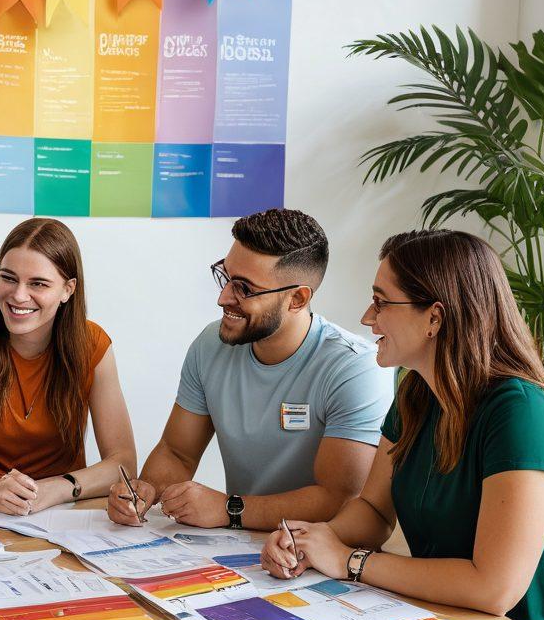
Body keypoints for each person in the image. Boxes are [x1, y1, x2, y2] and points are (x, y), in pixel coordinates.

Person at [260, 229, 544, 620]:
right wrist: (308, 538)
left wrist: (348, 562)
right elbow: (374, 510)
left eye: (382, 300)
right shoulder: (418, 393)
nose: (367, 315)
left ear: (435, 317)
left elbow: (494, 588)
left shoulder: (522, 412)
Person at [107, 208, 392, 531]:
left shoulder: (355, 368)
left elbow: (339, 498)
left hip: (320, 552)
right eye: (225, 276)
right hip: (236, 545)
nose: (223, 297)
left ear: (297, 299)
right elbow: (176, 452)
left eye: (245, 288)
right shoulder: (210, 345)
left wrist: (230, 509)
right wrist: (146, 490)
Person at [0, 217, 137, 515]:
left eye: (38, 284)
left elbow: (123, 462)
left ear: (68, 290)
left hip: (59, 515)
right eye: (8, 278)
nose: (19, 295)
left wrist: (58, 489)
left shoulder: (93, 345)